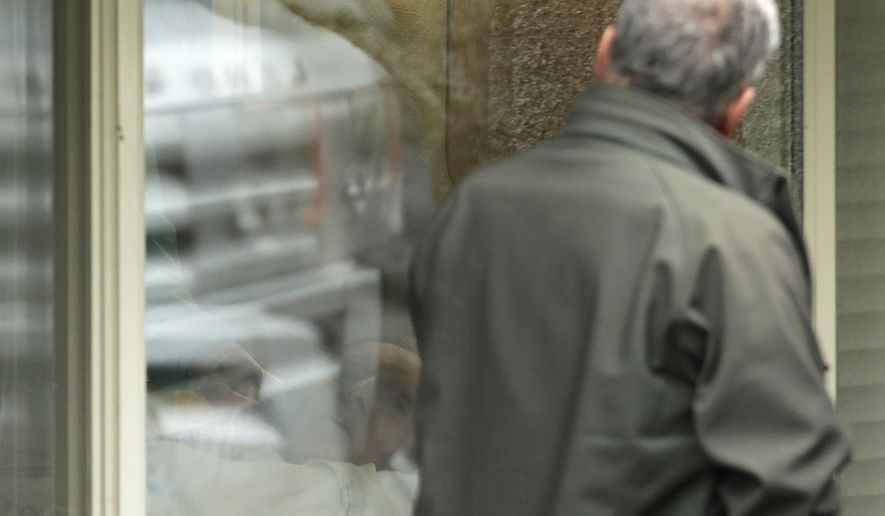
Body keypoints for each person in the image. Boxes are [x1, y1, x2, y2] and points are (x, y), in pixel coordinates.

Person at [409, 0, 852, 514]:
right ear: (738, 109)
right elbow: (791, 491)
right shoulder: (728, 242)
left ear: (603, 53)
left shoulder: (473, 210)